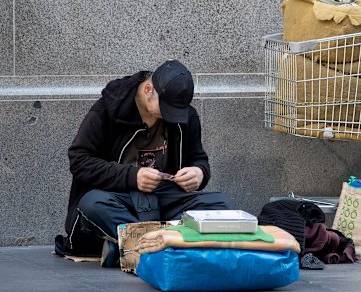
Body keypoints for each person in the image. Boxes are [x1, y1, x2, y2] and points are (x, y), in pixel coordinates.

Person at [54, 59, 235, 264]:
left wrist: (199, 172)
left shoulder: (185, 116)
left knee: (223, 205)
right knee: (91, 204)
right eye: (165, 108)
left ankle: (132, 245)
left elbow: (198, 158)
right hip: (119, 200)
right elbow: (79, 160)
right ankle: (167, 244)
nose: (169, 116)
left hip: (165, 199)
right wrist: (132, 176)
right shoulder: (109, 110)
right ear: (148, 89)